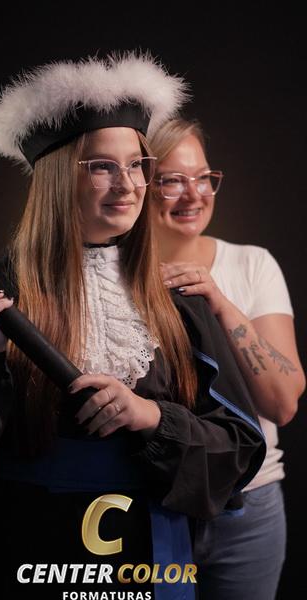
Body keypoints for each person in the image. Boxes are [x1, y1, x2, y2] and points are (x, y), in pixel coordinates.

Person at [0, 54, 265, 600]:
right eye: (101, 166)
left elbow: (236, 451)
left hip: (153, 562)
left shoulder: (176, 299)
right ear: (56, 180)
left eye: (137, 165)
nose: (128, 185)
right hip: (30, 553)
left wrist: (150, 417)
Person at [148, 117, 306, 600]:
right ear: (141, 183)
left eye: (203, 177)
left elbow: (282, 404)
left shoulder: (252, 264)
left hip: (251, 508)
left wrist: (219, 301)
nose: (193, 194)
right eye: (172, 180)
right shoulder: (110, 275)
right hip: (155, 501)